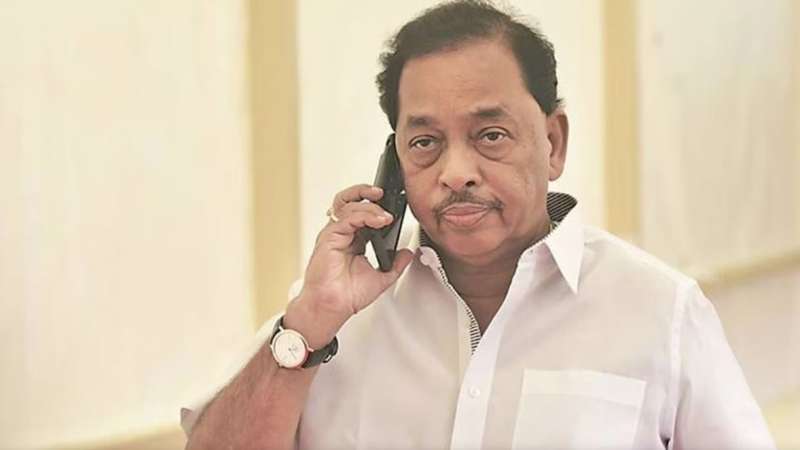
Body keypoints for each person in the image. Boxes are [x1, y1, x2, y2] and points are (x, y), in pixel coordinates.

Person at [182, 1, 775, 448]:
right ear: (395, 162)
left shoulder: (661, 311)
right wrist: (308, 328)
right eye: (425, 143)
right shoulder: (330, 321)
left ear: (553, 142)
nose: (456, 173)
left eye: (490, 135)